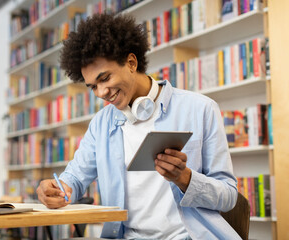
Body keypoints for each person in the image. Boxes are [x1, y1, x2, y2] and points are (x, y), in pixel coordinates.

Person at [36, 13, 239, 239]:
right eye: (93, 86)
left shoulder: (200, 109)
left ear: (131, 63)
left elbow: (229, 197)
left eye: (105, 79)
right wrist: (55, 190)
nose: (101, 93)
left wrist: (185, 179)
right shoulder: (101, 124)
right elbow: (73, 179)